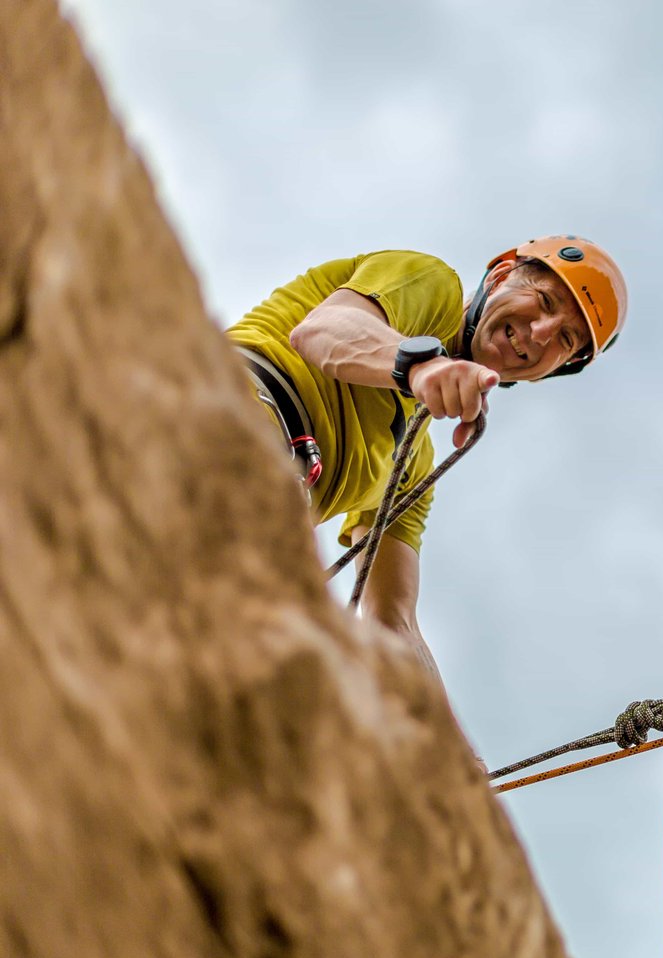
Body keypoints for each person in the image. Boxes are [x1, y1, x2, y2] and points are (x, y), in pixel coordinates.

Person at [227, 237, 626, 677]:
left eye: (565, 339)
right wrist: (420, 366)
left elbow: (394, 623)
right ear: (499, 278)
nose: (541, 332)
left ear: (552, 369)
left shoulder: (412, 464)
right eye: (544, 300)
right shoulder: (432, 285)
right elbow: (323, 331)